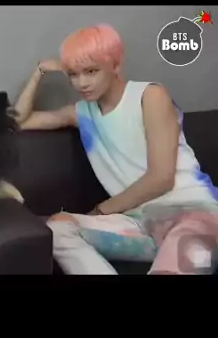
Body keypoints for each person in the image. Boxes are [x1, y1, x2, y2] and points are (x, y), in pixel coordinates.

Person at [14, 24, 218, 275]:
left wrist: (100, 211)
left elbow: (161, 178)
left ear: (116, 64)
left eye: (91, 71)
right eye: (73, 74)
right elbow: (19, 121)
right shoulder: (82, 113)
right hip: (137, 223)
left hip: (193, 215)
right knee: (55, 229)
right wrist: (38, 73)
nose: (81, 83)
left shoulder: (149, 96)